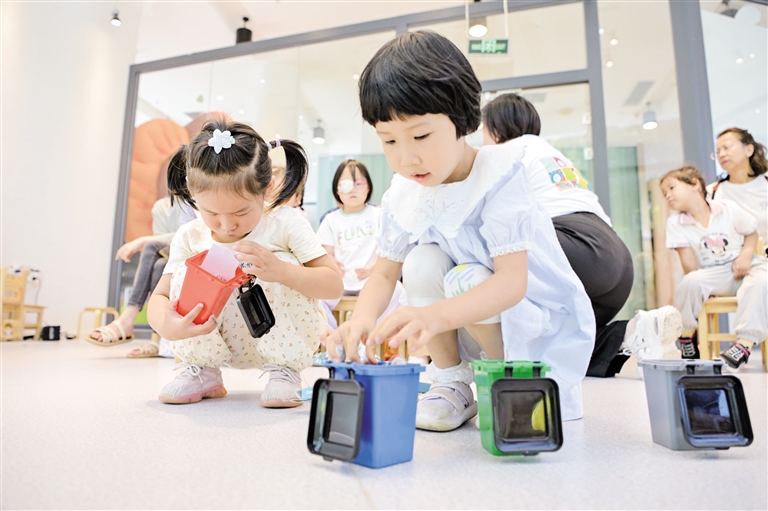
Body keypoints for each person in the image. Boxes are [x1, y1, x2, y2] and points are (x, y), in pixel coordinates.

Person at [324, 30, 595, 431]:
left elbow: (512, 282)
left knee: (464, 277)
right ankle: (452, 382)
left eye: (420, 135)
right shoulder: (405, 193)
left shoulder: (499, 175)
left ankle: (510, 381)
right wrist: (362, 319)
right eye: (389, 140)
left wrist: (431, 316)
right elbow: (384, 273)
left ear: (462, 119)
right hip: (463, 312)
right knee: (421, 260)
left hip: (527, 319)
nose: (406, 157)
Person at [479, 93, 682, 377]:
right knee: (563, 343)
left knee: (487, 260)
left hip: (574, 245)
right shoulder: (551, 153)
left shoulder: (509, 151)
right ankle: (636, 331)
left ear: (495, 129)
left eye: (483, 130)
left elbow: (481, 212)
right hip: (616, 263)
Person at [148, 121, 343, 407]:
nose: (227, 225)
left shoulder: (285, 223)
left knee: (282, 260)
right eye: (212, 213)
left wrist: (281, 270)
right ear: (192, 193)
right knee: (185, 271)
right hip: (212, 338)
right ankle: (203, 370)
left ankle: (285, 372)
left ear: (268, 188)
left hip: (279, 341)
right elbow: (161, 296)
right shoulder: (190, 235)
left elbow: (333, 284)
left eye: (241, 212)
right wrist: (168, 326)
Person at [661, 166, 767, 370]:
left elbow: (751, 233)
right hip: (714, 274)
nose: (668, 195)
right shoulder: (675, 222)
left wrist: (745, 256)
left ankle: (744, 344)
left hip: (745, 266)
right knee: (690, 282)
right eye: (664, 193)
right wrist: (704, 287)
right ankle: (687, 335)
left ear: (694, 184)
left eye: (672, 188)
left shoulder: (727, 208)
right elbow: (688, 263)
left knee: (763, 280)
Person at [85, 181, 195, 357]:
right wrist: (156, 240)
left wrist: (143, 240)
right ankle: (154, 339)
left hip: (191, 253)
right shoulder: (161, 207)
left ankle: (129, 321)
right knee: (159, 264)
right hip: (171, 256)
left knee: (154, 253)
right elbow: (164, 243)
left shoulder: (195, 201)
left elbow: (190, 233)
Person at [316, 160, 406, 330]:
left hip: (372, 281)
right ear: (337, 190)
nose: (353, 189)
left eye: (358, 184)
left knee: (398, 291)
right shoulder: (331, 220)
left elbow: (390, 250)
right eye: (346, 185)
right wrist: (332, 263)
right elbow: (325, 252)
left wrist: (374, 268)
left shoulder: (379, 215)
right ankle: (334, 338)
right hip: (340, 282)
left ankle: (369, 336)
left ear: (368, 187)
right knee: (314, 296)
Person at [707, 127, 768, 245]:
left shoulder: (765, 185)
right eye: (718, 152)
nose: (722, 154)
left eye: (727, 147)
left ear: (749, 150)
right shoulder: (711, 193)